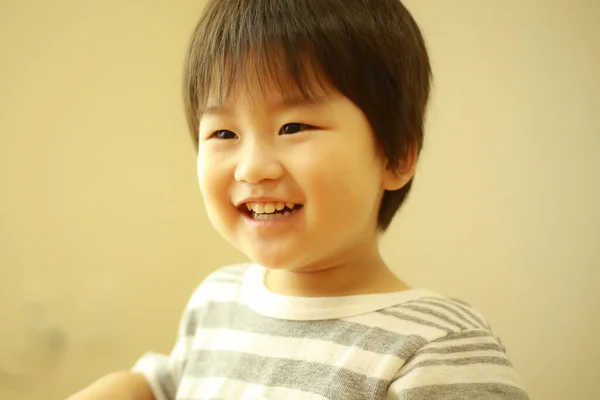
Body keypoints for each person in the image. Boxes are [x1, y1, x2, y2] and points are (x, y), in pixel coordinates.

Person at [69, 0, 529, 399]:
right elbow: (167, 384)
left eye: (293, 127)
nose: (251, 168)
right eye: (223, 132)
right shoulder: (217, 301)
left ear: (395, 155)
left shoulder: (436, 347)